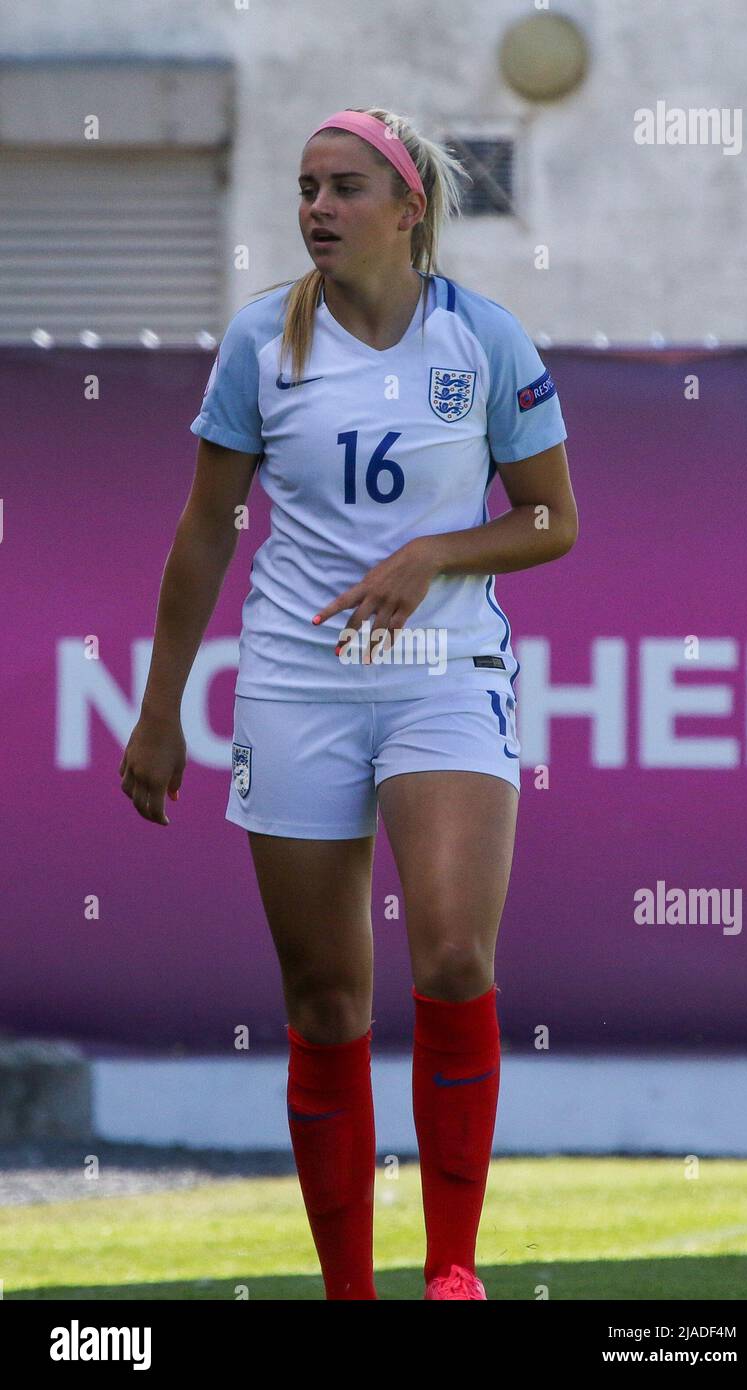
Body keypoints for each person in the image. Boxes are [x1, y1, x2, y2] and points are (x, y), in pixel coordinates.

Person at [119, 105, 578, 1301]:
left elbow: (551, 519)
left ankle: (453, 1270)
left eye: (344, 188)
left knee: (456, 954)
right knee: (325, 1001)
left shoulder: (483, 340)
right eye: (306, 188)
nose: (317, 208)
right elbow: (204, 532)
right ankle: (348, 1291)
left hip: (443, 675)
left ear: (407, 206)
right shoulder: (260, 342)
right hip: (295, 681)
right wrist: (161, 708)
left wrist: (435, 556)